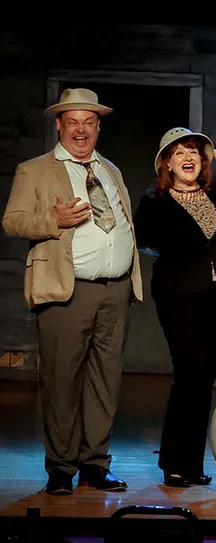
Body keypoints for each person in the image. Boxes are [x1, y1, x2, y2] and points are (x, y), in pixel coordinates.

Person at [2, 88, 142, 495]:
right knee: (62, 382)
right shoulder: (36, 170)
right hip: (67, 292)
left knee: (105, 382)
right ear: (59, 125)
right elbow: (13, 221)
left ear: (98, 126)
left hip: (114, 292)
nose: (81, 130)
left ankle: (95, 464)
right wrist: (53, 218)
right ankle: (61, 467)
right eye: (73, 122)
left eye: (89, 122)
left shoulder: (110, 171)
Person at [133, 127, 216, 488]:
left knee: (204, 380)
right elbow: (144, 241)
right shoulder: (155, 201)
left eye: (193, 153)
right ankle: (174, 461)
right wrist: (177, 259)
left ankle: (191, 462)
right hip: (178, 295)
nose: (188, 159)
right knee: (188, 375)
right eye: (179, 154)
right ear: (167, 164)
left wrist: (212, 150)